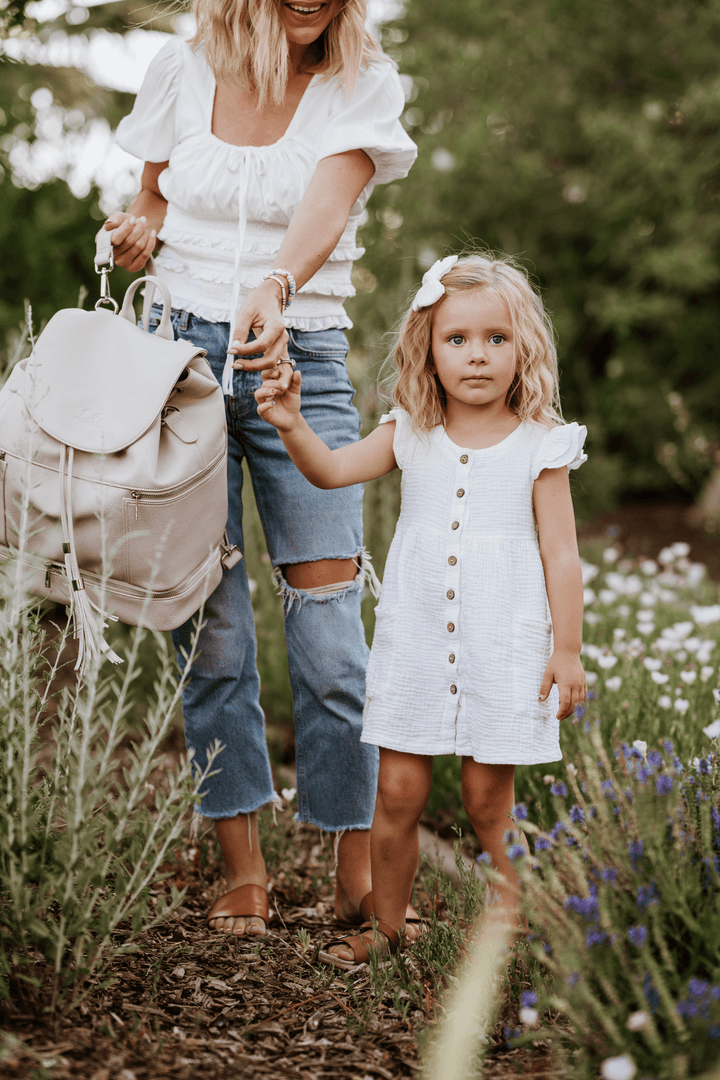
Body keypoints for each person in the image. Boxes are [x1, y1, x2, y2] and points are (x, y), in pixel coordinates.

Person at [103, 0, 417, 938]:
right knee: (214, 629)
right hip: (176, 365)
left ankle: (352, 867)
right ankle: (242, 865)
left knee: (330, 636)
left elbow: (325, 205)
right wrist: (133, 234)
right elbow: (154, 199)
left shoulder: (361, 79)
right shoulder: (177, 71)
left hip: (299, 358)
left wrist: (274, 285)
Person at [255, 252, 588, 965]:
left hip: (502, 644)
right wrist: (289, 423)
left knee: (487, 801)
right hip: (414, 644)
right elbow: (332, 471)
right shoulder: (411, 431)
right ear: (428, 350)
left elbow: (562, 555)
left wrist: (567, 650)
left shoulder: (540, 446)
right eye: (457, 339)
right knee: (398, 795)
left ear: (522, 349)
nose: (477, 356)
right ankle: (386, 926)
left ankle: (515, 920)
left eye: (496, 340)